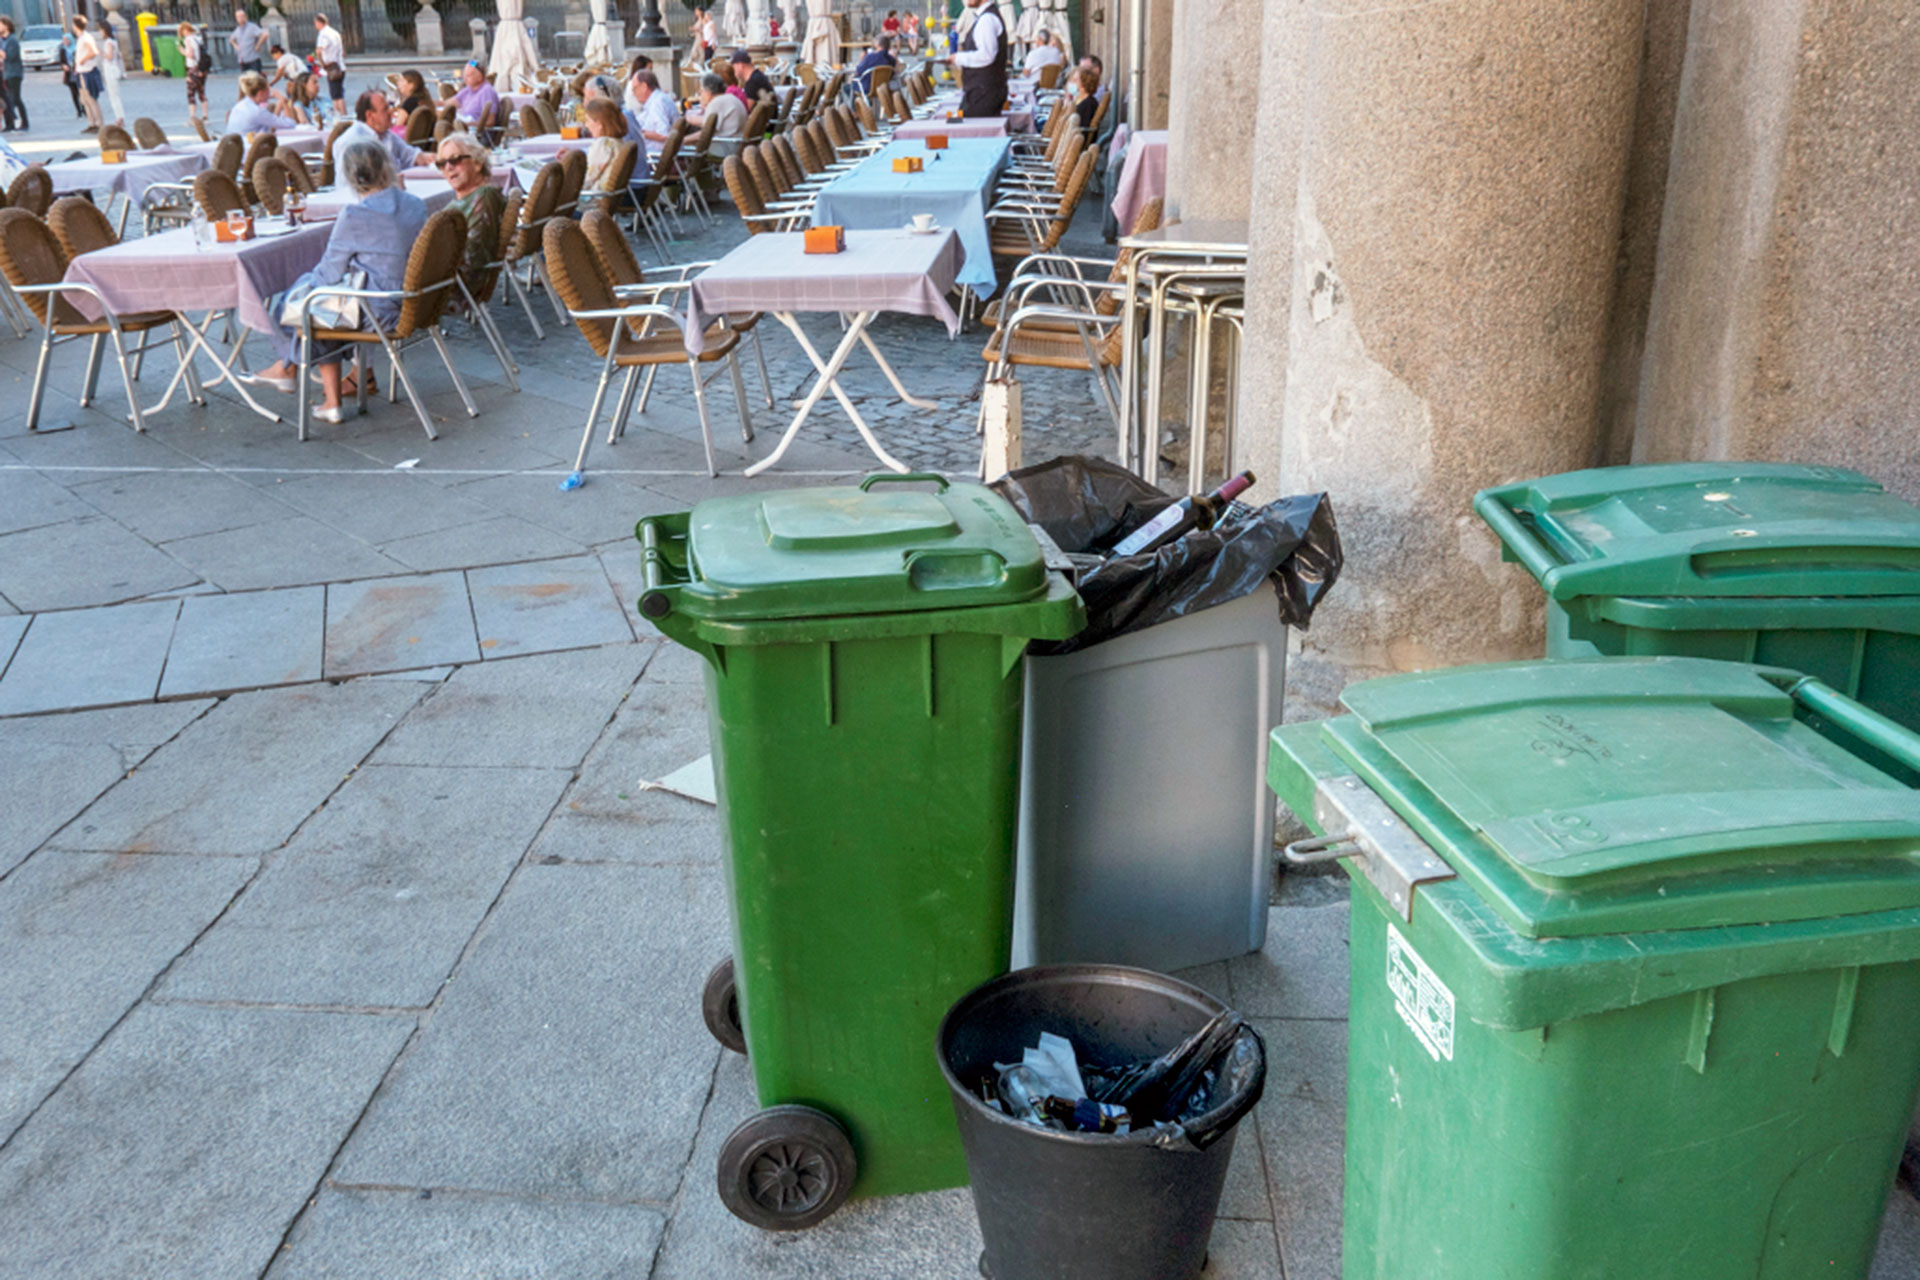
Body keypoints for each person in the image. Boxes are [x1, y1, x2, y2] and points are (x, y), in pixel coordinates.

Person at [247, 140, 428, 423]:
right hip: (416, 301)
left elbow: (327, 275)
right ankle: (328, 400)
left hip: (380, 312)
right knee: (325, 305)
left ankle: (288, 367)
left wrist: (299, 288)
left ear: (350, 177)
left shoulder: (356, 214)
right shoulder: (416, 205)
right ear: (386, 166)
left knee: (305, 303)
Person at [434, 132, 505, 299]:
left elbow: (476, 255)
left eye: (455, 160)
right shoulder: (466, 200)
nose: (448, 167)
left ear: (477, 163)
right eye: (442, 164)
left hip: (452, 286)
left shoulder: (484, 196)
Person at [331, 89, 422, 172]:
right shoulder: (352, 142)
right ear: (370, 115)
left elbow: (412, 156)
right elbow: (350, 184)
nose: (390, 112)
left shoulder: (386, 135)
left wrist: (432, 159)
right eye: (385, 109)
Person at [949, 0, 1007, 119]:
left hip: (983, 93)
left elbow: (987, 55)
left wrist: (958, 58)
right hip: (983, 91)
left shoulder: (987, 19)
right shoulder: (986, 17)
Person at [225, 70, 297, 135]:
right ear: (261, 93)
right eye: (268, 91)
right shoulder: (257, 111)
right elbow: (290, 124)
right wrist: (283, 100)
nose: (270, 93)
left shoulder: (240, 105)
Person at [581, 97, 626, 194]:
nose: (586, 125)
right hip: (613, 198)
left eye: (588, 120)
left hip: (595, 200)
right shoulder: (619, 142)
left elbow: (588, 179)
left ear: (599, 124)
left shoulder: (603, 145)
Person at [628, 69, 677, 157]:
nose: (633, 94)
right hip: (660, 155)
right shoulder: (657, 99)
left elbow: (663, 134)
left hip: (657, 158)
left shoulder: (657, 103)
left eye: (634, 89)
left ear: (644, 86)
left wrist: (640, 133)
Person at [71, 17, 103, 134]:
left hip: (87, 70)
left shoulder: (86, 37)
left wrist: (83, 60)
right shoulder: (80, 38)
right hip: (81, 71)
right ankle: (91, 122)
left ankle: (98, 123)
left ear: (76, 25)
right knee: (84, 100)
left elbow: (94, 51)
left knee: (91, 98)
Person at [692, 72, 745, 140]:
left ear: (708, 92)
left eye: (701, 91)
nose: (700, 94)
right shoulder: (732, 98)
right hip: (735, 143)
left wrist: (682, 141)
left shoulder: (716, 103)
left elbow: (705, 133)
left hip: (722, 147)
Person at [313, 15, 346, 121]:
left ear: (319, 22)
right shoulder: (335, 33)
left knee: (335, 96)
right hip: (340, 66)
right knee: (339, 92)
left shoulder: (323, 34)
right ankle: (343, 115)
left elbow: (319, 51)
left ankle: (340, 117)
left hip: (331, 67)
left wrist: (322, 63)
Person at [452, 60, 499, 125]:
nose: (465, 79)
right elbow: (450, 103)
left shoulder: (487, 91)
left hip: (475, 132)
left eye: (468, 76)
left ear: (479, 77)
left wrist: (466, 125)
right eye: (464, 76)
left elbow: (490, 122)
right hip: (463, 126)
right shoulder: (469, 89)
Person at [180, 24, 210, 128]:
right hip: (202, 68)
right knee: (202, 92)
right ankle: (205, 117)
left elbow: (191, 55)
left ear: (186, 31)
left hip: (193, 69)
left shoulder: (188, 40)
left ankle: (192, 117)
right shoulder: (199, 39)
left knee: (191, 93)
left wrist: (183, 52)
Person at [0, 19, 25, 133]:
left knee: (16, 98)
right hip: (6, 73)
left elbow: (10, 56)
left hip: (14, 73)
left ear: (7, 26)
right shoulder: (3, 40)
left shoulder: (12, 40)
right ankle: (10, 123)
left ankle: (24, 122)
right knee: (8, 99)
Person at [228, 7, 266, 75]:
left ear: (245, 16)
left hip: (253, 59)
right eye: (237, 17)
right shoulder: (238, 29)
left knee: (255, 80)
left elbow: (264, 34)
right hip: (242, 60)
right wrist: (236, 46)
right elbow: (231, 39)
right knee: (245, 81)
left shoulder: (252, 27)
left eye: (241, 16)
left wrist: (258, 45)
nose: (239, 18)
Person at [1069, 64, 1098, 134]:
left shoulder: (1088, 104)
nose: (1072, 83)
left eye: (1075, 80)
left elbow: (1083, 129)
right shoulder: (1079, 100)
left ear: (1084, 83)